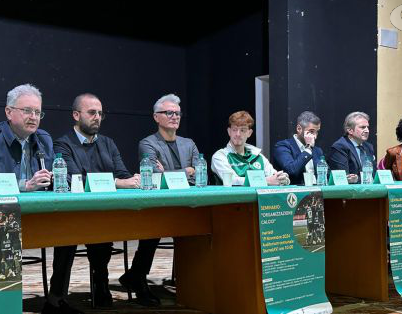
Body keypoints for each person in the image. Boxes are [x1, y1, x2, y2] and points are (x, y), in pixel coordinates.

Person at [44, 93, 140, 313]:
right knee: (69, 235)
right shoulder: (62, 144)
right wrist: (117, 182)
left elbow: (123, 174)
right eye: (91, 112)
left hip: (103, 211)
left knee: (104, 228)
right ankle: (58, 296)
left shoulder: (108, 143)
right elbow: (74, 179)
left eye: (100, 113)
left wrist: (127, 181)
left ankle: (101, 280)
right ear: (76, 115)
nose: (97, 117)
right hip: (73, 212)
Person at [120, 94, 198, 307]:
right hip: (159, 204)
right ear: (156, 117)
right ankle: (138, 278)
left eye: (177, 113)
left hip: (187, 203)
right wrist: (186, 170)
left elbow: (199, 173)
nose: (174, 116)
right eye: (169, 113)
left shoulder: (188, 143)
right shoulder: (147, 143)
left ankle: (193, 281)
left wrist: (175, 172)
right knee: (153, 229)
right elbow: (155, 175)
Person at [0, 84, 54, 191]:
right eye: (27, 111)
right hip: (2, 206)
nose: (33, 117)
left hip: (39, 205)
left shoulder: (44, 139)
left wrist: (54, 179)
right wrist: (25, 185)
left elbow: (64, 177)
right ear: (9, 112)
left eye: (37, 112)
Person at [211, 110, 289, 186]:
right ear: (229, 132)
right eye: (234, 130)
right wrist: (266, 181)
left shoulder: (258, 156)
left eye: (242, 130)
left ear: (249, 133)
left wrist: (282, 178)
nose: (238, 134)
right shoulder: (220, 156)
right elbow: (231, 180)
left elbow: (273, 175)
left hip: (260, 199)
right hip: (232, 199)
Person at [273, 111, 325, 185]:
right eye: (311, 131)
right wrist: (308, 149)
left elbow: (327, 174)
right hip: (294, 193)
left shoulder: (317, 150)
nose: (315, 136)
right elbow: (291, 171)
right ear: (299, 129)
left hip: (318, 191)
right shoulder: (283, 146)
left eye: (317, 132)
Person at [328, 112, 376, 183]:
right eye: (362, 127)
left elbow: (374, 174)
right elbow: (344, 178)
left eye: (367, 127)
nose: (367, 131)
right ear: (350, 130)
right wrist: (362, 179)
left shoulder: (368, 147)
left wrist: (359, 179)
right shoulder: (340, 147)